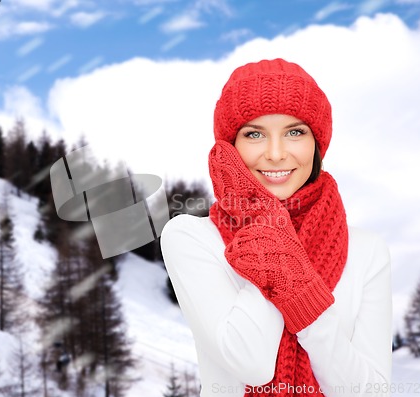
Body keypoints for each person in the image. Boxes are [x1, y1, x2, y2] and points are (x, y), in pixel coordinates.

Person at [160, 58, 392, 397]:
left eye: (295, 132)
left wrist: (304, 297)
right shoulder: (191, 237)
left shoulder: (366, 250)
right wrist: (267, 232)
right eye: (254, 134)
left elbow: (371, 392)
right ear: (230, 148)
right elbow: (251, 362)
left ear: (317, 144)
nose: (276, 153)